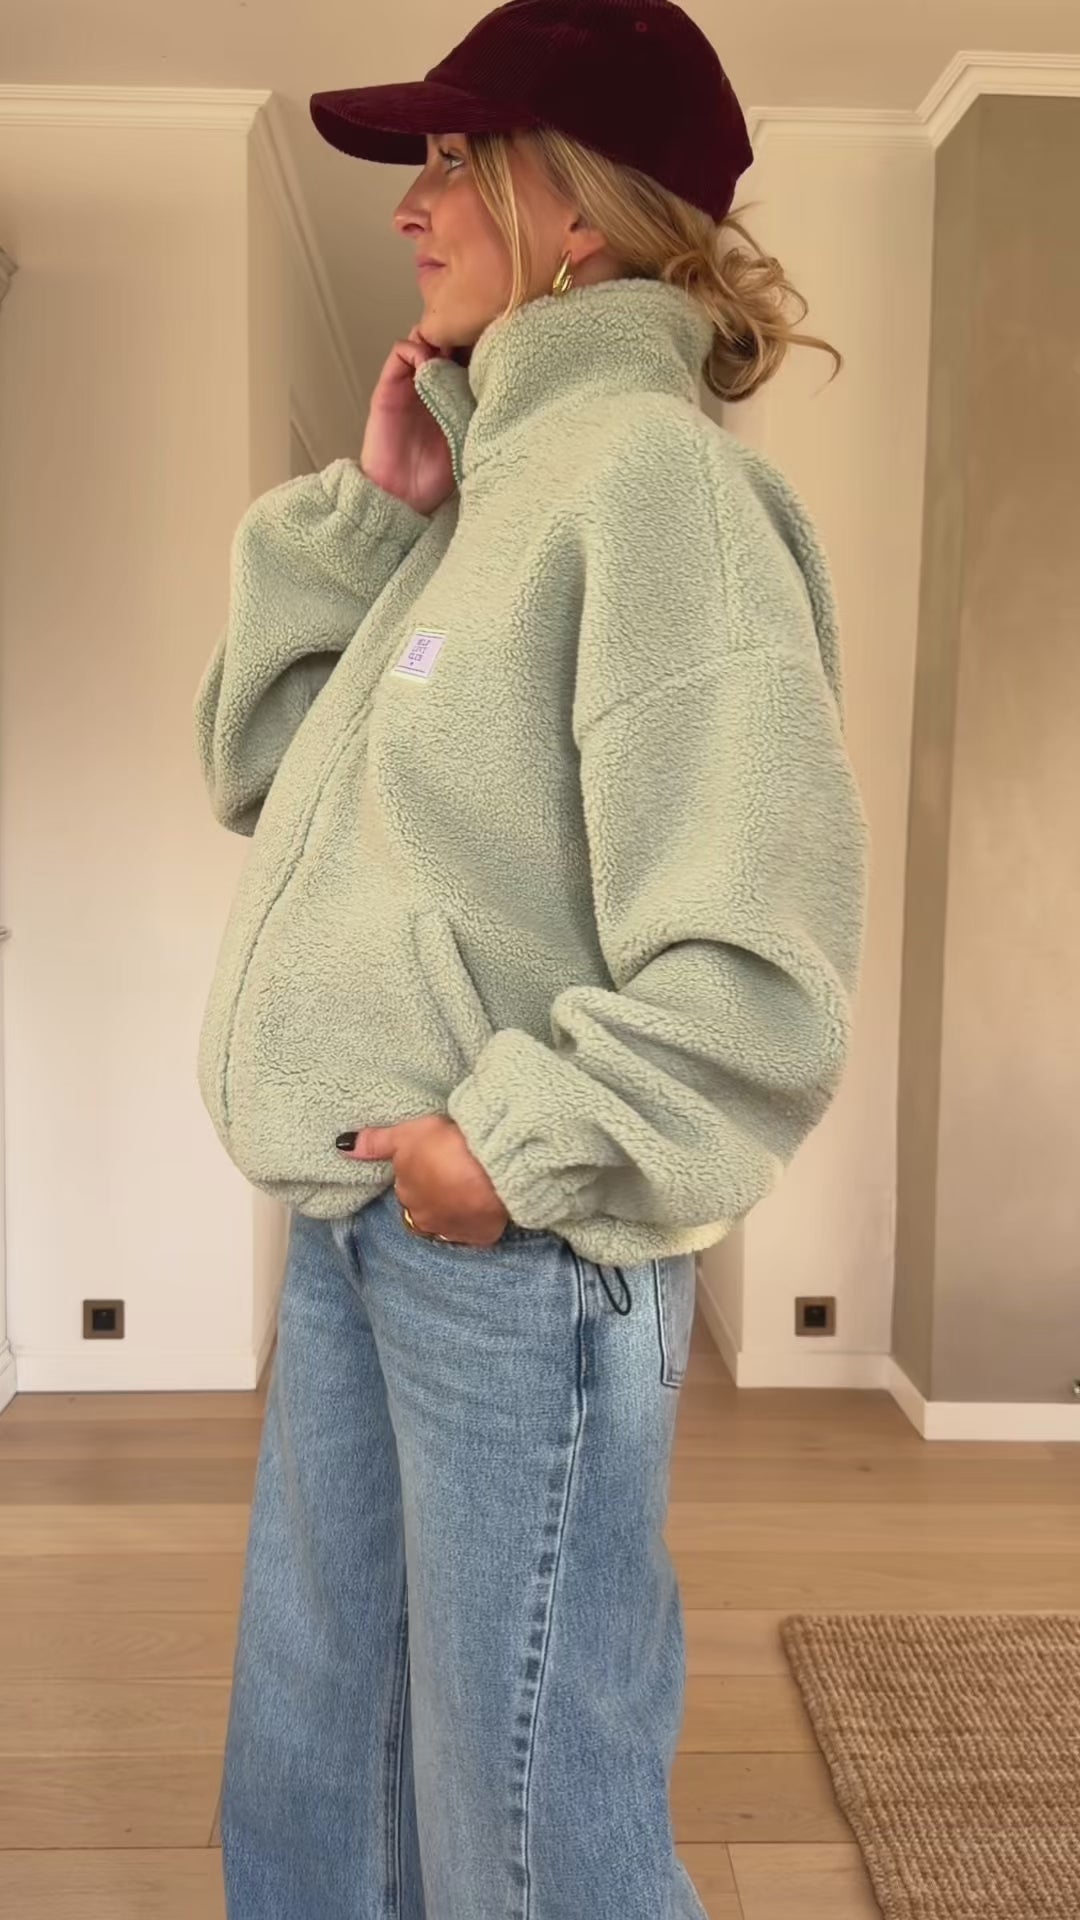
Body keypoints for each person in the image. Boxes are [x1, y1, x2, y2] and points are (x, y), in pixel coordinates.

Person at [193, 2, 871, 1914]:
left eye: (451, 160)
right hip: (363, 1223)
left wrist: (500, 1152)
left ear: (580, 211)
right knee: (320, 1761)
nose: (409, 207)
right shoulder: (479, 508)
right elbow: (261, 770)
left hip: (513, 1246)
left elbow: (760, 960)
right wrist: (374, 514)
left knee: (525, 1814)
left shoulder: (663, 490)